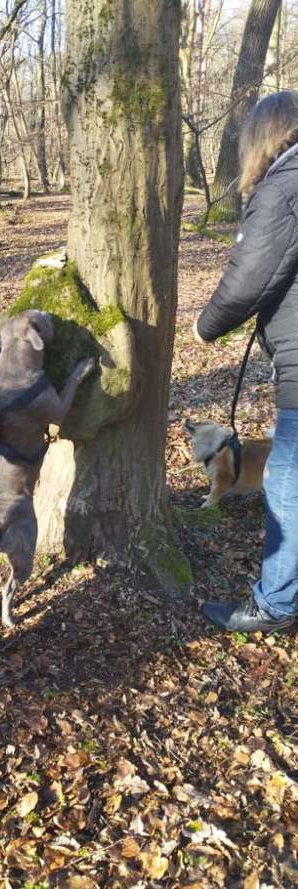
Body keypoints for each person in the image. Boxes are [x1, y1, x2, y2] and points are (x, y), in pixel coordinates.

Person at [194, 90, 298, 634]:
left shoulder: (285, 185)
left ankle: (276, 606)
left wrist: (204, 326)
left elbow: (249, 278)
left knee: (287, 480)